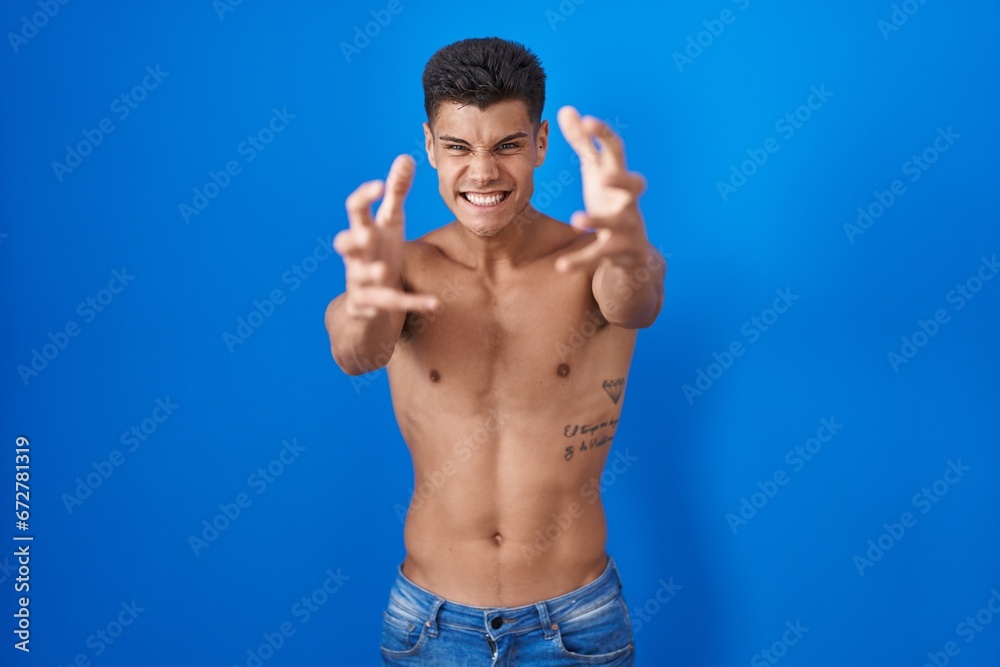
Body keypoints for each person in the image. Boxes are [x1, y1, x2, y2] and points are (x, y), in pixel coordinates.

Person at [325, 36, 665, 666]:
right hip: (430, 622)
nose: (483, 173)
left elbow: (635, 301)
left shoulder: (595, 259)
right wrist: (367, 302)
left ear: (539, 143)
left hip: (576, 622)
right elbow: (357, 350)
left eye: (507, 145)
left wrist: (629, 242)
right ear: (429, 145)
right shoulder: (398, 269)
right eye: (458, 147)